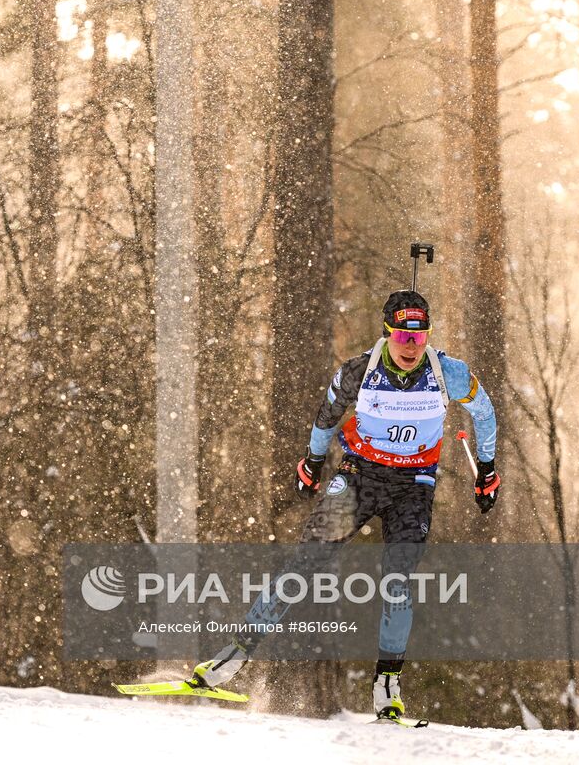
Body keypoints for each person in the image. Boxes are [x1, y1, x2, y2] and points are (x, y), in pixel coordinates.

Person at [190, 290, 500, 720]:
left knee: (398, 579)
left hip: (414, 485)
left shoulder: (448, 372)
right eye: (402, 336)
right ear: (387, 332)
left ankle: (387, 687)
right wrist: (312, 463)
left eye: (420, 336)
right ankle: (235, 655)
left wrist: (486, 470)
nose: (411, 346)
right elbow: (326, 417)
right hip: (359, 477)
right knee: (306, 561)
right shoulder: (359, 371)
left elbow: (484, 412)